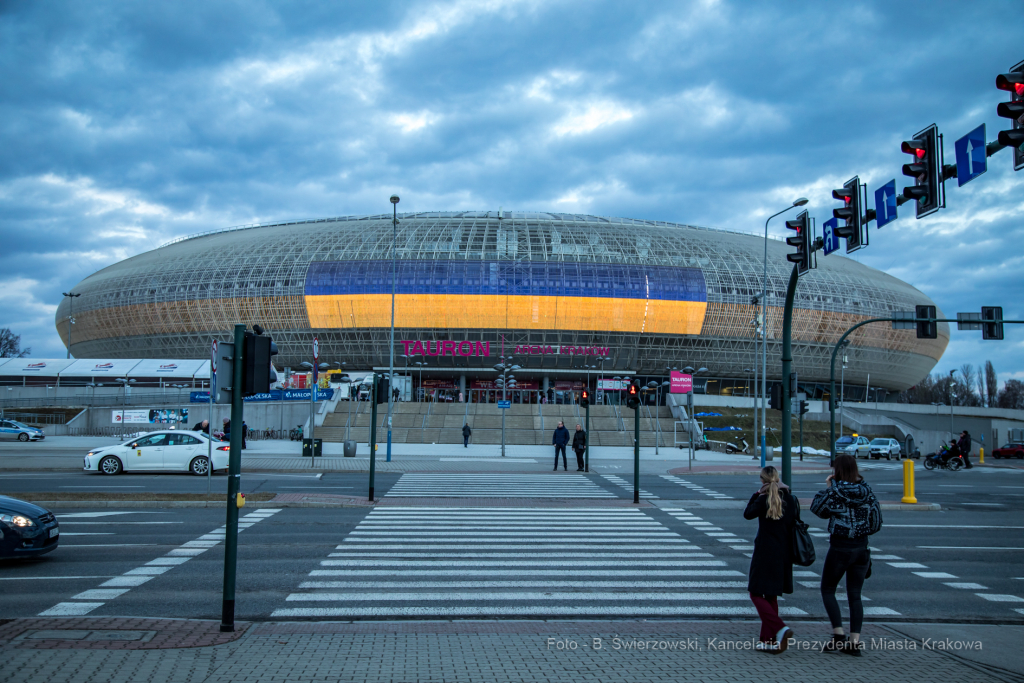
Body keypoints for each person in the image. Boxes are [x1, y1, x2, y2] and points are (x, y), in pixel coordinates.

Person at [811, 454, 883, 656]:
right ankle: (854, 643)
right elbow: (876, 523)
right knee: (855, 595)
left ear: (837, 471)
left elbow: (817, 509)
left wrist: (829, 487)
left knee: (828, 589)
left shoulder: (835, 493)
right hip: (861, 549)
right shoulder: (868, 493)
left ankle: (838, 634)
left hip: (840, 547)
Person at [743, 466, 798, 654]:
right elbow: (794, 521)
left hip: (764, 551)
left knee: (756, 593)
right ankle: (768, 640)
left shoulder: (763, 498)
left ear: (762, 480)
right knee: (771, 594)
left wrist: (757, 494)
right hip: (783, 552)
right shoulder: (790, 499)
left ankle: (780, 628)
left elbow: (748, 513)